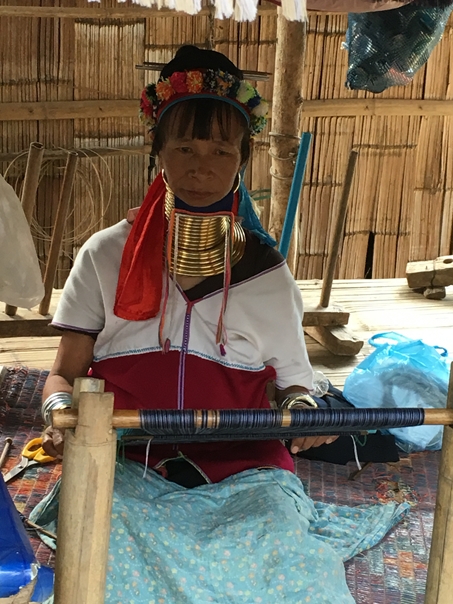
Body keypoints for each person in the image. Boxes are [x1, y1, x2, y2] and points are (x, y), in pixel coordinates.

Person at [37, 45, 408, 603]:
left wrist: (304, 413)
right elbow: (62, 376)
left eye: (221, 150)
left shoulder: (266, 273)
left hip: (248, 470)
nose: (201, 167)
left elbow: (296, 386)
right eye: (184, 147)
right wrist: (62, 415)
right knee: (102, 559)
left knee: (292, 573)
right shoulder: (105, 255)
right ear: (157, 148)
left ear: (243, 158)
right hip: (129, 461)